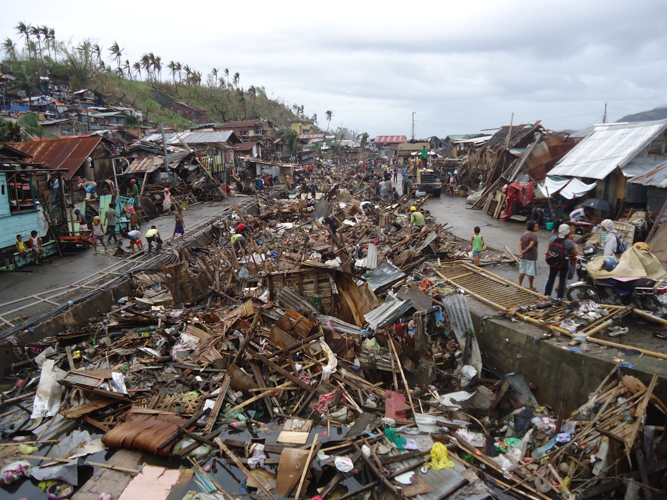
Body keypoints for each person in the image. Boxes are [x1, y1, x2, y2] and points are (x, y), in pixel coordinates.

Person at [544, 224, 578, 300]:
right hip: (564, 262)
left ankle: (546, 295)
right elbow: (575, 254)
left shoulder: (552, 238)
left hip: (553, 261)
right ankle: (559, 297)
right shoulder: (570, 242)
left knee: (551, 277)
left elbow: (549, 249)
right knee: (563, 279)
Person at [518, 221, 539, 290]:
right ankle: (531, 286)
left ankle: (520, 284)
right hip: (531, 256)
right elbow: (531, 246)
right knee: (530, 271)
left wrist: (521, 252)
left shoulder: (524, 234)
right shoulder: (533, 236)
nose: (537, 228)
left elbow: (520, 243)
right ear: (532, 227)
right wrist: (524, 251)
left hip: (523, 256)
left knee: (522, 270)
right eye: (536, 227)